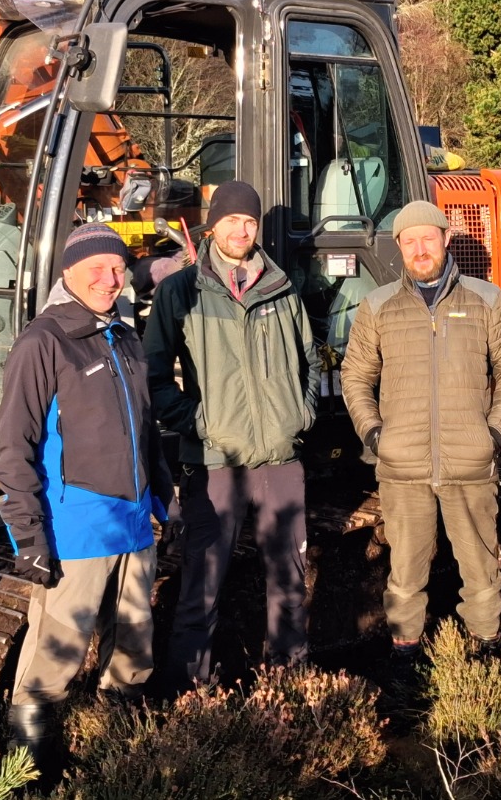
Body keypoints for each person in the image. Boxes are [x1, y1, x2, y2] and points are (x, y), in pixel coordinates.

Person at [0, 223, 173, 760]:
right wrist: (27, 535)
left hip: (135, 522)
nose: (109, 278)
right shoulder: (42, 342)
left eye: (117, 268)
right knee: (56, 651)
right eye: (96, 268)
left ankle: (119, 746)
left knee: (134, 642)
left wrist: (166, 498)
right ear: (68, 273)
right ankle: (29, 765)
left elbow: (145, 430)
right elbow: (13, 448)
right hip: (77, 527)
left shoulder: (124, 335)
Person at [144, 180, 321, 688]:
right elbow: (154, 376)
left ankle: (289, 683)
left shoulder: (281, 287)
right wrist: (202, 425)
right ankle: (189, 690)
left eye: (250, 222)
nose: (242, 231)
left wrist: (300, 415)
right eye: (232, 222)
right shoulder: (181, 291)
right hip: (216, 460)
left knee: (288, 579)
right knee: (203, 581)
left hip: (279, 458)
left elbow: (309, 358)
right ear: (212, 227)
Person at [340, 200, 501, 661]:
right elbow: (355, 376)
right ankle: (405, 657)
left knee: (482, 569)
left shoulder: (486, 301)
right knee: (405, 573)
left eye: (429, 238)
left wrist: (492, 433)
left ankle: (486, 653)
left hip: (469, 463)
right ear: (400, 248)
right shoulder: (378, 306)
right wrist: (374, 436)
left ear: (446, 240)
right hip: (402, 468)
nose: (420, 248)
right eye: (410, 241)